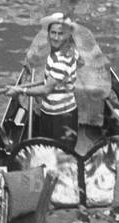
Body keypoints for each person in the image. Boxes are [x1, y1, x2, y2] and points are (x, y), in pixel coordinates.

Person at [5, 14, 80, 149]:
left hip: (62, 117)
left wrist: (20, 90)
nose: (55, 37)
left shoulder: (62, 59)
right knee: (47, 150)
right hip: (49, 112)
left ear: (67, 35)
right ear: (48, 33)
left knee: (60, 154)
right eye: (53, 33)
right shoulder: (63, 51)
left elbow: (46, 90)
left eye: (60, 34)